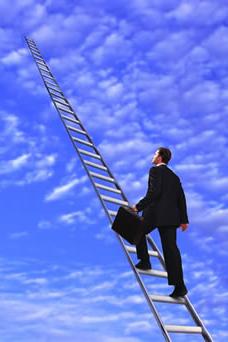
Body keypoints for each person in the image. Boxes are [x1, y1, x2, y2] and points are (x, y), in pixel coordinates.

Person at [132, 147, 189, 298]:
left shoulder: (155, 171)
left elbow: (154, 192)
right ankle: (180, 286)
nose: (153, 156)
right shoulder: (175, 177)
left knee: (136, 230)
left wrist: (139, 206)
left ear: (160, 157)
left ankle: (145, 261)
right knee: (171, 250)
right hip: (171, 217)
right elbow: (181, 199)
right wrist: (184, 220)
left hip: (154, 214)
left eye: (155, 153)